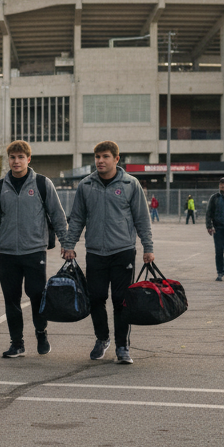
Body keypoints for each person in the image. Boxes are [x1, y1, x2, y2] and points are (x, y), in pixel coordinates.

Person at [61, 141, 155, 365]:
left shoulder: (131, 184)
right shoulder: (86, 185)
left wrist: (148, 248)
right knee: (96, 298)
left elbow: (142, 219)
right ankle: (102, 338)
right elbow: (77, 219)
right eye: (97, 157)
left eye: (105, 156)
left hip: (123, 252)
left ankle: (123, 346)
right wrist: (69, 244)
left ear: (116, 159)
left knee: (121, 300)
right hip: (95, 252)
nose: (100, 161)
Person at [0, 140, 69, 358]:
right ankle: (17, 343)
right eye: (12, 157)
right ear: (8, 160)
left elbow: (57, 215)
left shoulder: (41, 183)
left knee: (37, 295)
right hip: (8, 253)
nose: (16, 161)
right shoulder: (0, 187)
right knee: (11, 300)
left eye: (20, 157)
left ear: (28, 159)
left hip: (34, 251)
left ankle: (41, 333)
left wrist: (67, 244)